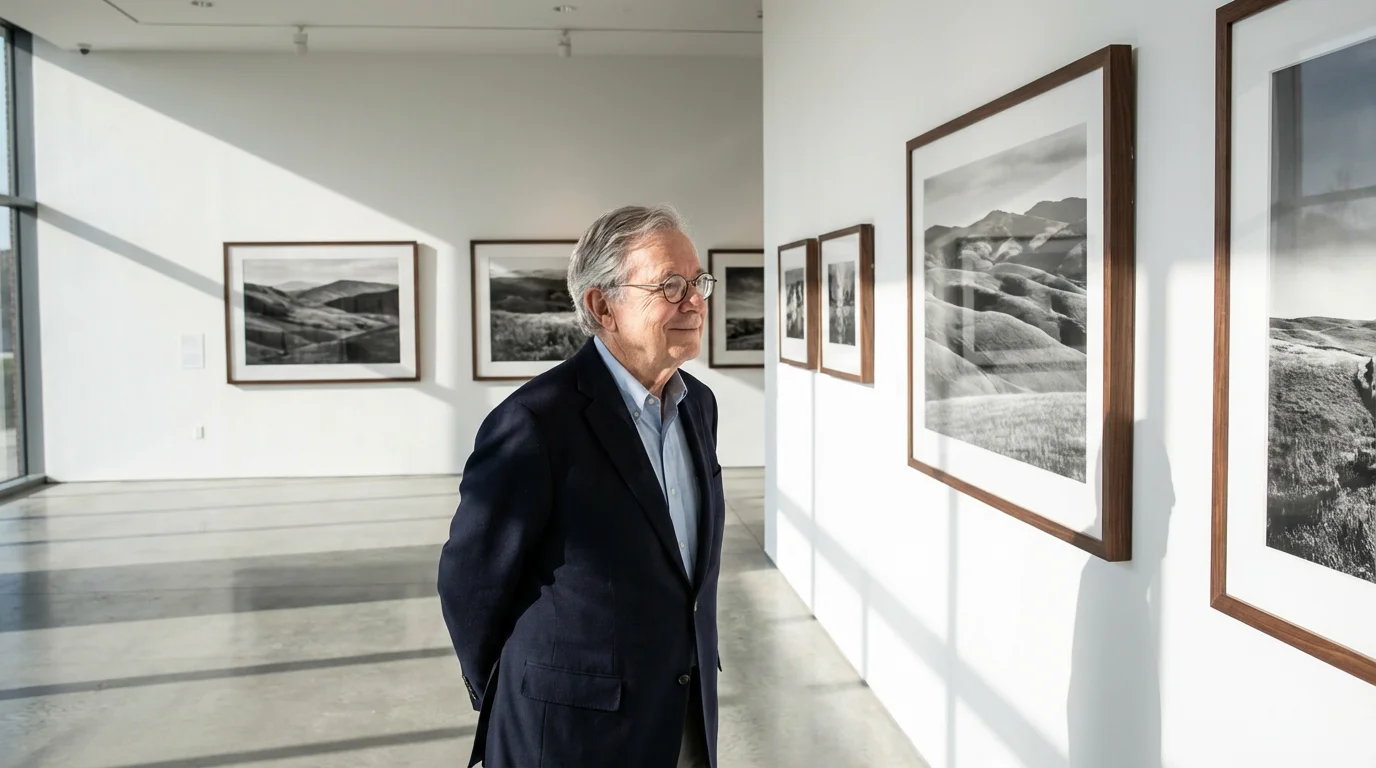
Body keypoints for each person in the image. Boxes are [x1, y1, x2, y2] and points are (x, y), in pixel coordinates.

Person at [438, 204, 726, 768]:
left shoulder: (701, 408)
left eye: (698, 282)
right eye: (670, 284)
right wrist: (520, 688)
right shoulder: (534, 422)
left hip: (681, 716)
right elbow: (470, 584)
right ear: (602, 305)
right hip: (570, 733)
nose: (695, 300)